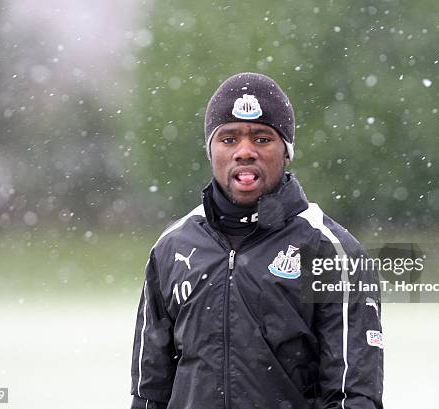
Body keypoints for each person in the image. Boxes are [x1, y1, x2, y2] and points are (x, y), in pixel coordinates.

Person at [130, 72, 383, 409]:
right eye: (229, 139)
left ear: (287, 152)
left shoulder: (332, 251)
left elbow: (355, 396)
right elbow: (150, 393)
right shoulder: (171, 247)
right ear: (211, 150)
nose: (244, 152)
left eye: (262, 139)